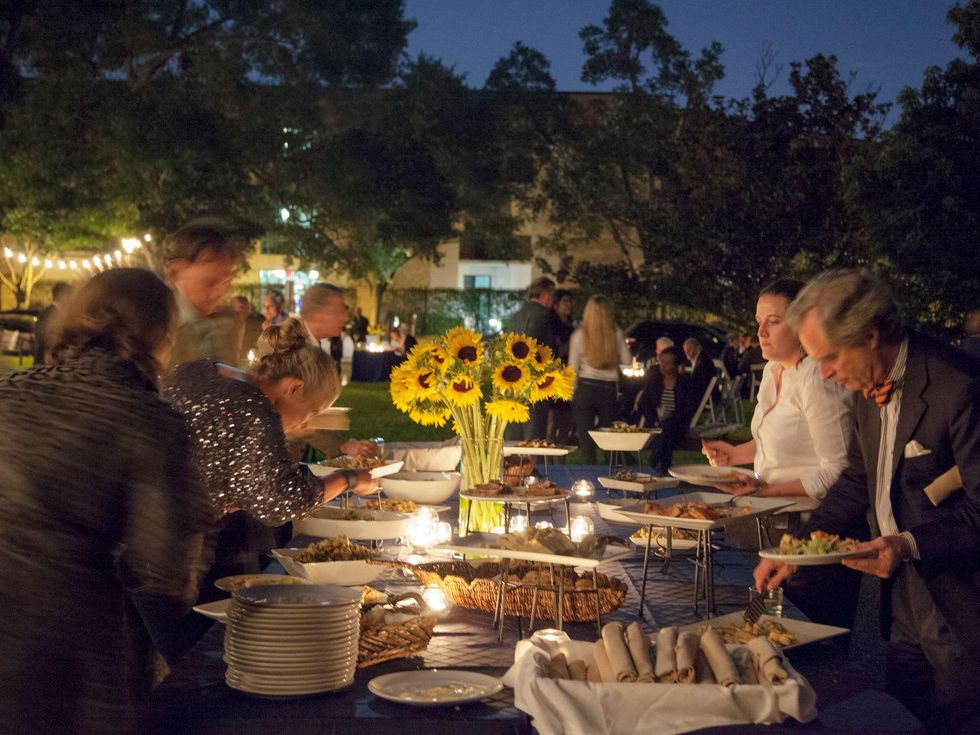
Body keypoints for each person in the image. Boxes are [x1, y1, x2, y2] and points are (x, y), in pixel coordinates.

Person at [753, 269, 980, 733]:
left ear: (871, 336)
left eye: (831, 358)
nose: (826, 373)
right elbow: (857, 480)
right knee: (902, 709)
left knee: (957, 714)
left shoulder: (958, 386)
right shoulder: (864, 383)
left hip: (957, 591)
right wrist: (795, 551)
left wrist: (908, 543)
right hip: (901, 591)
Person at [0, 269, 211, 735]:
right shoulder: (150, 420)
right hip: (74, 643)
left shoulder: (7, 393)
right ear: (157, 337)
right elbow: (164, 573)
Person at [702, 279, 855, 502]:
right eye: (759, 321)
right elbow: (775, 448)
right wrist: (734, 455)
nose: (761, 332)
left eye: (773, 322)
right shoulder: (773, 369)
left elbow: (838, 470)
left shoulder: (818, 379)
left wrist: (766, 490)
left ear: (802, 325)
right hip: (767, 513)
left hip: (810, 521)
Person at [298, 282, 377, 458]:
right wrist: (343, 446)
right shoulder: (293, 349)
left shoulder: (310, 345)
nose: (344, 318)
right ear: (319, 314)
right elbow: (295, 416)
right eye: (340, 311)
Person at [164, 218, 242, 366]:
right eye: (209, 282)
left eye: (226, 282)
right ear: (175, 271)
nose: (220, 293)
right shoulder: (155, 329)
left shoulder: (226, 323)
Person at [569, 295, 632, 464]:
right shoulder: (616, 334)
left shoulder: (578, 336)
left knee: (586, 439)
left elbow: (572, 369)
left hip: (585, 388)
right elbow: (627, 360)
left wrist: (571, 395)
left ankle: (589, 476)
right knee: (609, 438)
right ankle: (612, 472)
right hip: (607, 390)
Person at [506, 276, 559, 440]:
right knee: (533, 436)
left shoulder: (515, 316)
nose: (553, 302)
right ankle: (530, 466)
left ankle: (513, 465)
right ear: (545, 295)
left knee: (514, 436)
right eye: (553, 296)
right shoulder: (543, 315)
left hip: (512, 382)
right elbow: (543, 348)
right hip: (534, 384)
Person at [635, 346, 698, 473]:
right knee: (665, 432)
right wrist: (655, 419)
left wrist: (671, 416)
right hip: (655, 423)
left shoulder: (684, 384)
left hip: (676, 425)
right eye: (662, 362)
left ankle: (653, 462)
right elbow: (643, 405)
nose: (663, 366)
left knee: (668, 428)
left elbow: (688, 408)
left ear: (676, 364)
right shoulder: (654, 381)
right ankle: (664, 469)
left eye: (668, 363)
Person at [547, 289, 576, 445]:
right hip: (555, 375)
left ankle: (561, 457)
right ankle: (548, 457)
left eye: (570, 301)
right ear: (556, 304)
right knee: (553, 418)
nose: (569, 305)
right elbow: (556, 351)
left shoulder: (571, 326)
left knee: (567, 420)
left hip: (569, 376)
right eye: (565, 301)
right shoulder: (552, 325)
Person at [32, 281, 72, 365]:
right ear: (63, 296)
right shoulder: (50, 315)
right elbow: (44, 339)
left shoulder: (51, 313)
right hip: (45, 365)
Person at [230, 295, 263, 364]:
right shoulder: (227, 328)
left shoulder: (256, 326)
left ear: (247, 310)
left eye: (241, 309)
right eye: (233, 309)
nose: (237, 313)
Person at [683, 337, 716, 403]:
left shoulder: (703, 361)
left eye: (689, 349)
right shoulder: (701, 358)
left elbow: (700, 383)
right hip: (707, 395)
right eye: (685, 350)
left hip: (706, 398)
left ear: (697, 348)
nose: (687, 352)